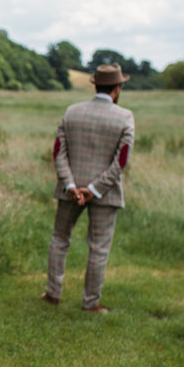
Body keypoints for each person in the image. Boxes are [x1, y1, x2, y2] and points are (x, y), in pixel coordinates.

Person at [42, 64, 135, 314]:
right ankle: (90, 303)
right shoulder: (124, 117)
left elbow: (57, 153)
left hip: (68, 190)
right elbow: (121, 161)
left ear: (95, 85)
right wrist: (94, 189)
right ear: (116, 89)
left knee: (59, 239)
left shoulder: (72, 112)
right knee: (99, 248)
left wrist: (71, 185)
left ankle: (52, 293)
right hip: (106, 193)